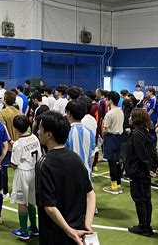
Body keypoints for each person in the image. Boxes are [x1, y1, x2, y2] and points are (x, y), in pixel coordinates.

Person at [36, 111, 95, 245]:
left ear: (49, 134)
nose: (38, 132)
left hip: (55, 233)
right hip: (79, 230)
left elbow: (50, 207)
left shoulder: (44, 163)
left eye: (40, 128)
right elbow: (91, 194)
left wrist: (69, 231)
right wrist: (87, 224)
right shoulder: (76, 158)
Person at [125, 108, 157, 237]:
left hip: (138, 172)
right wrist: (152, 168)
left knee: (140, 199)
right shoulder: (146, 132)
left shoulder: (137, 134)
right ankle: (146, 225)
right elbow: (152, 154)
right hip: (143, 171)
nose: (130, 119)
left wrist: (148, 169)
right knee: (146, 199)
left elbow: (141, 155)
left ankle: (143, 226)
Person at [10, 115, 41, 240]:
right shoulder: (35, 138)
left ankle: (23, 231)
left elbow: (14, 163)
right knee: (32, 201)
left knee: (21, 202)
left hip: (22, 173)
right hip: (34, 171)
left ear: (16, 128)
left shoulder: (18, 144)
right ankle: (34, 228)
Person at [0, 91, 21, 197]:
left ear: (6, 100)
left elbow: (4, 128)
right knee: (18, 168)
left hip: (9, 144)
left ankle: (6, 191)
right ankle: (17, 190)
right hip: (19, 143)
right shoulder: (18, 112)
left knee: (4, 168)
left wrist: (9, 140)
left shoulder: (3, 113)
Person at [102, 91, 124, 195]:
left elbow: (105, 129)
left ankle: (114, 186)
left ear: (110, 100)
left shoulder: (109, 114)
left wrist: (102, 135)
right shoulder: (121, 111)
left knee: (112, 163)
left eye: (107, 99)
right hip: (119, 137)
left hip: (111, 138)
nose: (105, 101)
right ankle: (118, 185)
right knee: (117, 162)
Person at [65, 100, 95, 176]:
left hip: (72, 173)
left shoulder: (67, 132)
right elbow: (92, 154)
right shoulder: (90, 132)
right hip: (87, 173)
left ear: (69, 114)